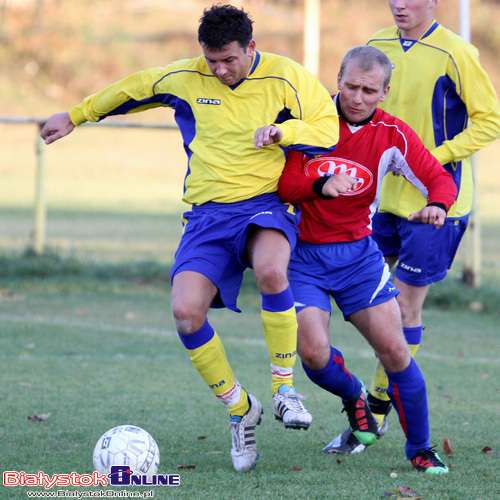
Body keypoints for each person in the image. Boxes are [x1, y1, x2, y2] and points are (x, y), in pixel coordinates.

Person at [40, 4, 339, 472]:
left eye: (229, 60)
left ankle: (284, 389)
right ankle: (242, 410)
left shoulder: (287, 78)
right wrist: (76, 115)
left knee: (272, 270)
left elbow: (327, 127)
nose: (219, 70)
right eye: (211, 60)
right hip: (206, 216)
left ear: (251, 48)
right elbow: (132, 89)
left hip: (264, 203)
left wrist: (284, 132)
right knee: (185, 313)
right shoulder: (186, 76)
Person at [328, 0, 500, 454]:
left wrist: (429, 160)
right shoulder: (374, 48)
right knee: (373, 308)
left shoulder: (456, 52)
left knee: (404, 310)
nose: (401, 4)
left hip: (436, 205)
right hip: (380, 201)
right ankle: (372, 403)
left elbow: (491, 120)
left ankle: (377, 410)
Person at [278, 45, 457, 473]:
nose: (358, 97)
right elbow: (287, 186)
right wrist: (321, 186)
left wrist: (438, 205)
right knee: (314, 354)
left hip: (359, 258)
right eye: (351, 86)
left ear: (384, 92)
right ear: (337, 81)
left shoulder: (393, 135)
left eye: (369, 90)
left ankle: (420, 448)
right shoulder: (310, 123)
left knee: (396, 352)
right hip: (303, 259)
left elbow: (437, 177)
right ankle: (353, 394)